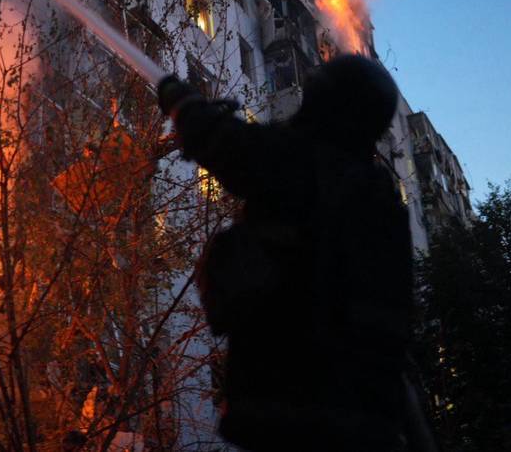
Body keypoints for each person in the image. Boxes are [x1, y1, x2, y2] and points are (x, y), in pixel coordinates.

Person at [158, 55, 413, 451]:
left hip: (289, 402)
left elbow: (228, 146)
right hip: (366, 419)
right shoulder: (380, 199)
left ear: (325, 101)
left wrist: (181, 101)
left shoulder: (306, 161)